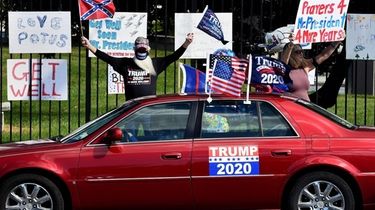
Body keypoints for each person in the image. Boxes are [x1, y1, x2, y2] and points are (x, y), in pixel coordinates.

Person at [81, 33, 194, 100]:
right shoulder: (125, 64)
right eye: (139, 48)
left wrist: (186, 43)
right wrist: (90, 46)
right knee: (130, 137)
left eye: (143, 49)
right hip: (131, 109)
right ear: (134, 49)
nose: (141, 51)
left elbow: (173, 57)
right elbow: (107, 58)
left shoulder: (155, 64)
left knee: (148, 137)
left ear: (148, 49)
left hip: (149, 109)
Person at [281, 41, 345, 108]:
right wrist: (289, 47)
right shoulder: (283, 69)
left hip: (306, 108)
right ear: (290, 54)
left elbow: (323, 56)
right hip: (292, 108)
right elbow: (283, 63)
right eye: (297, 52)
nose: (301, 54)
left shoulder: (305, 67)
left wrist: (335, 43)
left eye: (301, 51)